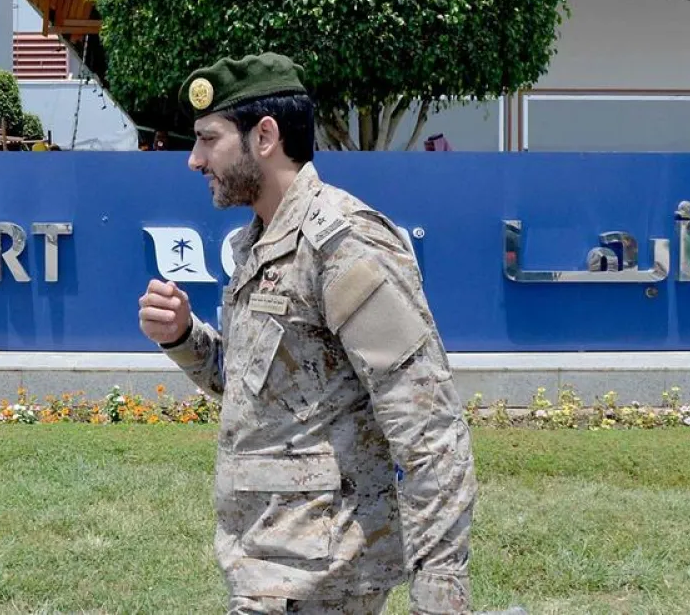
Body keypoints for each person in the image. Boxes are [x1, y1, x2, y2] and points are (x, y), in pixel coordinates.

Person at [138, 52, 478, 614]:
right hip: (271, 564)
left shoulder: (343, 245)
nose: (194, 160)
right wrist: (183, 338)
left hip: (325, 573)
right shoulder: (259, 244)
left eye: (208, 138)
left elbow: (431, 428)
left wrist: (440, 597)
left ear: (264, 136)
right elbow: (269, 389)